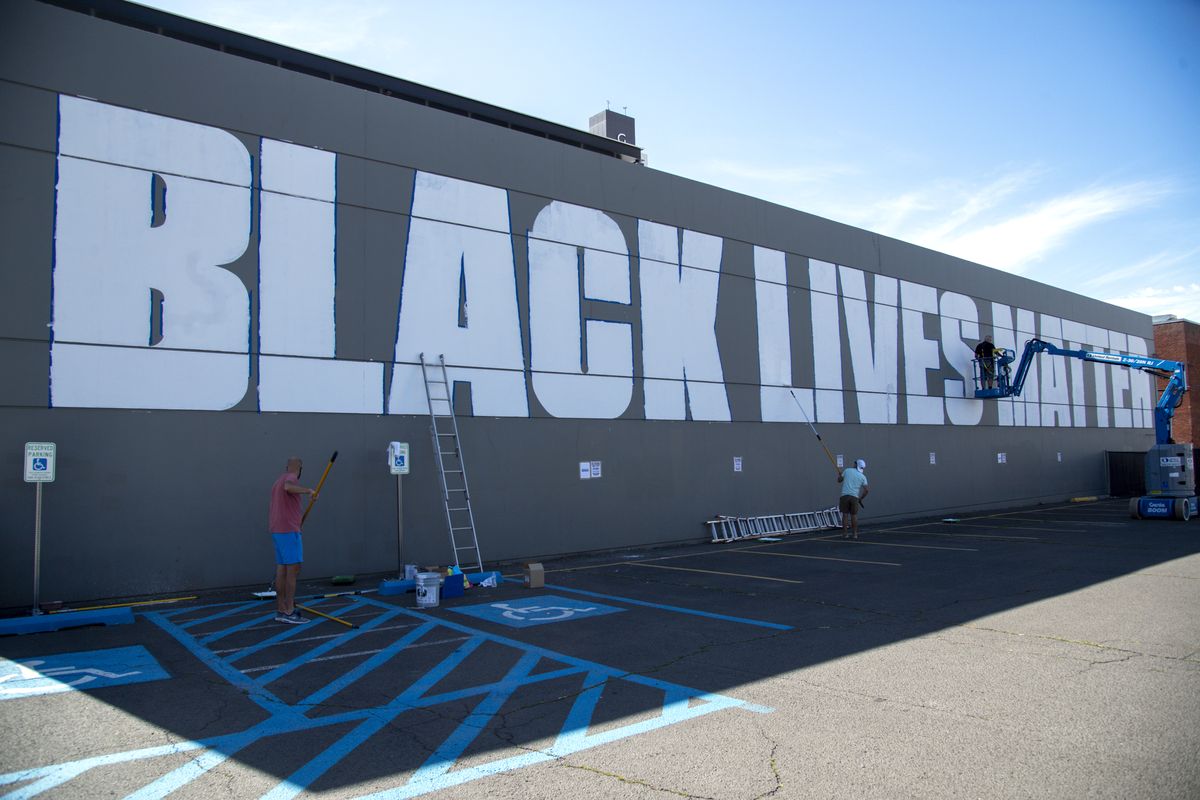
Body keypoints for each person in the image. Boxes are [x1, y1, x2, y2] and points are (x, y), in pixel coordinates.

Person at [268, 457, 318, 624]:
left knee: (282, 569)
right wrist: (309, 491)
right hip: (288, 531)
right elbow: (289, 487)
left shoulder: (277, 481)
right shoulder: (290, 478)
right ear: (299, 468)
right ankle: (289, 611)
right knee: (293, 570)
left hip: (278, 530)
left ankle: (281, 609)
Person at [837, 459, 870, 539]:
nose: (854, 464)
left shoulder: (847, 470)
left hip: (845, 496)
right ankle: (855, 534)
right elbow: (866, 490)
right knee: (854, 515)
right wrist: (861, 498)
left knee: (845, 515)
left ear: (856, 465)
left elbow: (839, 480)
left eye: (855, 463)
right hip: (855, 497)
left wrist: (840, 475)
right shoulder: (863, 477)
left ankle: (845, 534)